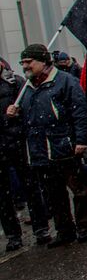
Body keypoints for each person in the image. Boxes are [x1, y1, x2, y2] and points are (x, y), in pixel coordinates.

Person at [8, 44, 87, 247]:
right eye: (22, 63)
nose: (25, 66)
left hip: (65, 147)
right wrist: (14, 115)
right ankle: (64, 230)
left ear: (43, 61)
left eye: (29, 62)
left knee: (79, 191)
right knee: (54, 195)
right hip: (40, 152)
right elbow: (27, 121)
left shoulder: (65, 82)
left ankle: (84, 228)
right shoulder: (27, 88)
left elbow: (80, 113)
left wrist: (81, 140)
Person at [0, 55, 49, 250]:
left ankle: (41, 228)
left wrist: (16, 114)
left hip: (18, 143)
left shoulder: (16, 83)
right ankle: (13, 235)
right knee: (3, 197)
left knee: (31, 187)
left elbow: (30, 110)